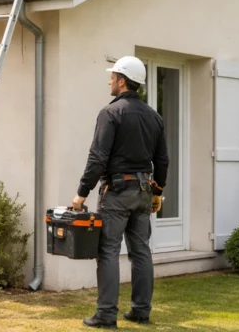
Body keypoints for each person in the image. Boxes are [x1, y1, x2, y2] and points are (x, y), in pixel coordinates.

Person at [72, 56, 169, 329]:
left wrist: (81, 192)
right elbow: (162, 160)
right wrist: (157, 192)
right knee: (141, 252)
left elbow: (97, 158)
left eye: (112, 76)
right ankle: (141, 311)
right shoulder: (155, 117)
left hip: (117, 191)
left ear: (122, 80)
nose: (109, 81)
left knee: (109, 251)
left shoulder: (110, 113)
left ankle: (105, 315)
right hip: (144, 191)